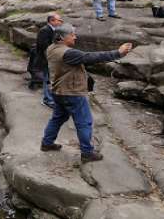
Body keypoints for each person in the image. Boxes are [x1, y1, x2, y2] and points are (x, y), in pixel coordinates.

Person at [41, 23, 133, 163]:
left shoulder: (51, 48)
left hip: (58, 91)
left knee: (57, 118)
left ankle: (47, 143)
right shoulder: (68, 53)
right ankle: (87, 153)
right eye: (72, 35)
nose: (75, 37)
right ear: (61, 37)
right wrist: (118, 53)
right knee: (84, 122)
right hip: (72, 93)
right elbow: (92, 57)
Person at [35, 13, 64, 108]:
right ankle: (48, 100)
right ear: (52, 21)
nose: (61, 22)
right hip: (46, 60)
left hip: (53, 59)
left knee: (52, 79)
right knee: (47, 79)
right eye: (59, 20)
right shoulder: (45, 30)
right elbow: (44, 46)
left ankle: (52, 98)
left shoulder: (55, 30)